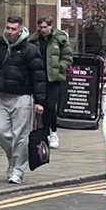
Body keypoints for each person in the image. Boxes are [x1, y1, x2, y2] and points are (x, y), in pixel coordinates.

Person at [0, 15, 46, 185]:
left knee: (21, 136)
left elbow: (39, 77)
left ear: (21, 30)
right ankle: (14, 159)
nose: (10, 32)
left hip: (22, 97)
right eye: (8, 28)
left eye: (13, 29)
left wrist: (39, 101)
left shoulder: (30, 50)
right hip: (1, 96)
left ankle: (17, 171)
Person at [31, 15, 73, 148]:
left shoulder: (59, 39)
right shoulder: (33, 40)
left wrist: (60, 67)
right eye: (41, 27)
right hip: (39, 77)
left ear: (51, 26)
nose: (43, 30)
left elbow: (68, 56)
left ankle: (53, 132)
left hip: (54, 78)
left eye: (46, 27)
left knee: (50, 106)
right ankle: (46, 133)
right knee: (41, 108)